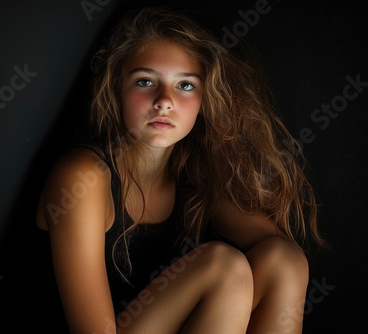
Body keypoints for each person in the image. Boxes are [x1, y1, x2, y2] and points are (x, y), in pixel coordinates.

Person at [35, 5, 327, 334]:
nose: (164, 100)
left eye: (185, 85)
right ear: (117, 88)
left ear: (207, 99)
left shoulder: (193, 173)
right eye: (145, 81)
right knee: (223, 267)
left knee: (285, 259)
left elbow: (276, 252)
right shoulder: (83, 177)